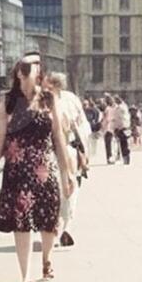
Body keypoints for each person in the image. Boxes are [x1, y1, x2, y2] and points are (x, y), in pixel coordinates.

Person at [0, 56, 75, 282]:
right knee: (21, 222)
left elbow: (58, 138)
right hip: (17, 170)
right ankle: (25, 277)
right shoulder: (8, 100)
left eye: (37, 65)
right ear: (19, 73)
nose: (35, 69)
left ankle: (46, 257)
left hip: (44, 169)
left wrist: (68, 173)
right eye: (30, 65)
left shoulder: (48, 98)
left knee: (48, 219)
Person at [46, 72, 89, 247]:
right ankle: (65, 227)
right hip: (68, 149)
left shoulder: (49, 101)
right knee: (69, 190)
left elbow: (81, 126)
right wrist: (84, 152)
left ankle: (59, 228)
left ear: (54, 85)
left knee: (60, 190)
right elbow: (83, 127)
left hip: (57, 150)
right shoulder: (71, 99)